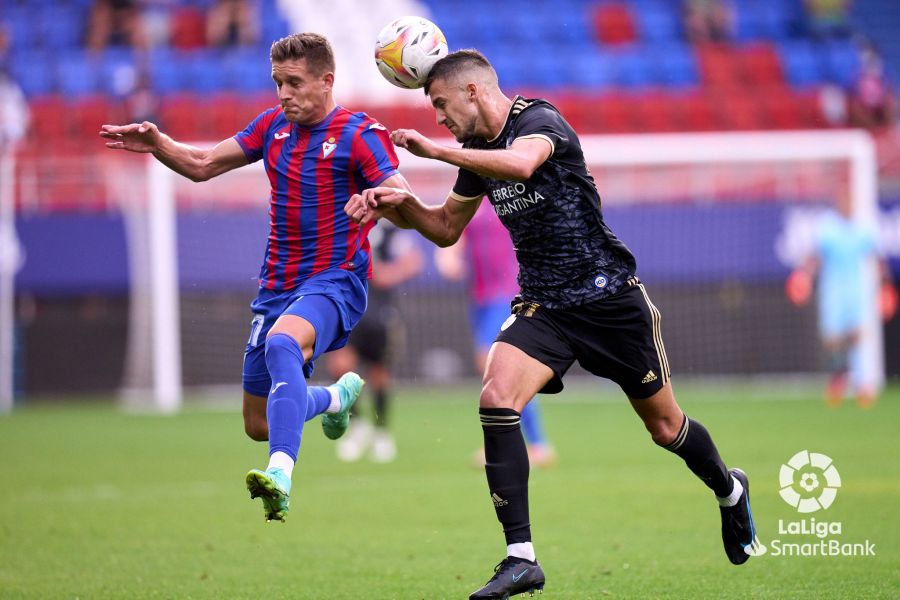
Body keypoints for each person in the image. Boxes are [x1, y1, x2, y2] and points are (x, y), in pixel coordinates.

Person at [345, 49, 759, 598]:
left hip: (610, 301)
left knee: (664, 428)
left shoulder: (540, 120)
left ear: (473, 91)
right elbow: (445, 228)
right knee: (495, 397)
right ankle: (521, 557)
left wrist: (433, 151)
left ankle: (731, 490)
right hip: (547, 307)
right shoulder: (472, 151)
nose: (439, 118)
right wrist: (395, 203)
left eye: (442, 104)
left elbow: (520, 164)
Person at [100, 33, 413, 523]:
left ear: (326, 81)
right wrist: (159, 143)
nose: (283, 93)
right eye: (277, 83)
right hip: (277, 287)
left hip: (335, 280)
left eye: (294, 83)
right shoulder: (272, 126)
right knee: (257, 421)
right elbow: (203, 165)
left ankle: (281, 475)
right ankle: (333, 398)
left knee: (283, 345)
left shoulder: (359, 132)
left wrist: (380, 197)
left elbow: (400, 190)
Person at [434, 201, 556, 468]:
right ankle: (533, 444)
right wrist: (448, 255)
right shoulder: (470, 196)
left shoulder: (512, 195)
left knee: (495, 363)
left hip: (508, 291)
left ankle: (523, 444)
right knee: (501, 370)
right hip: (479, 297)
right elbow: (454, 232)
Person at [787, 188, 896, 407]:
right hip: (833, 291)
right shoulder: (828, 227)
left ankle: (863, 384)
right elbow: (815, 256)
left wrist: (886, 284)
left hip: (856, 290)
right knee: (833, 339)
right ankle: (838, 379)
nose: (847, 205)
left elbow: (876, 257)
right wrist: (804, 276)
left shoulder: (863, 228)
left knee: (858, 336)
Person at [327, 220, 424, 463]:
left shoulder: (389, 230)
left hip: (381, 312)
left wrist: (388, 274)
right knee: (340, 366)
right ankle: (358, 426)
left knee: (379, 374)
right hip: (348, 308)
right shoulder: (341, 224)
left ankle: (382, 433)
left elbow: (414, 261)